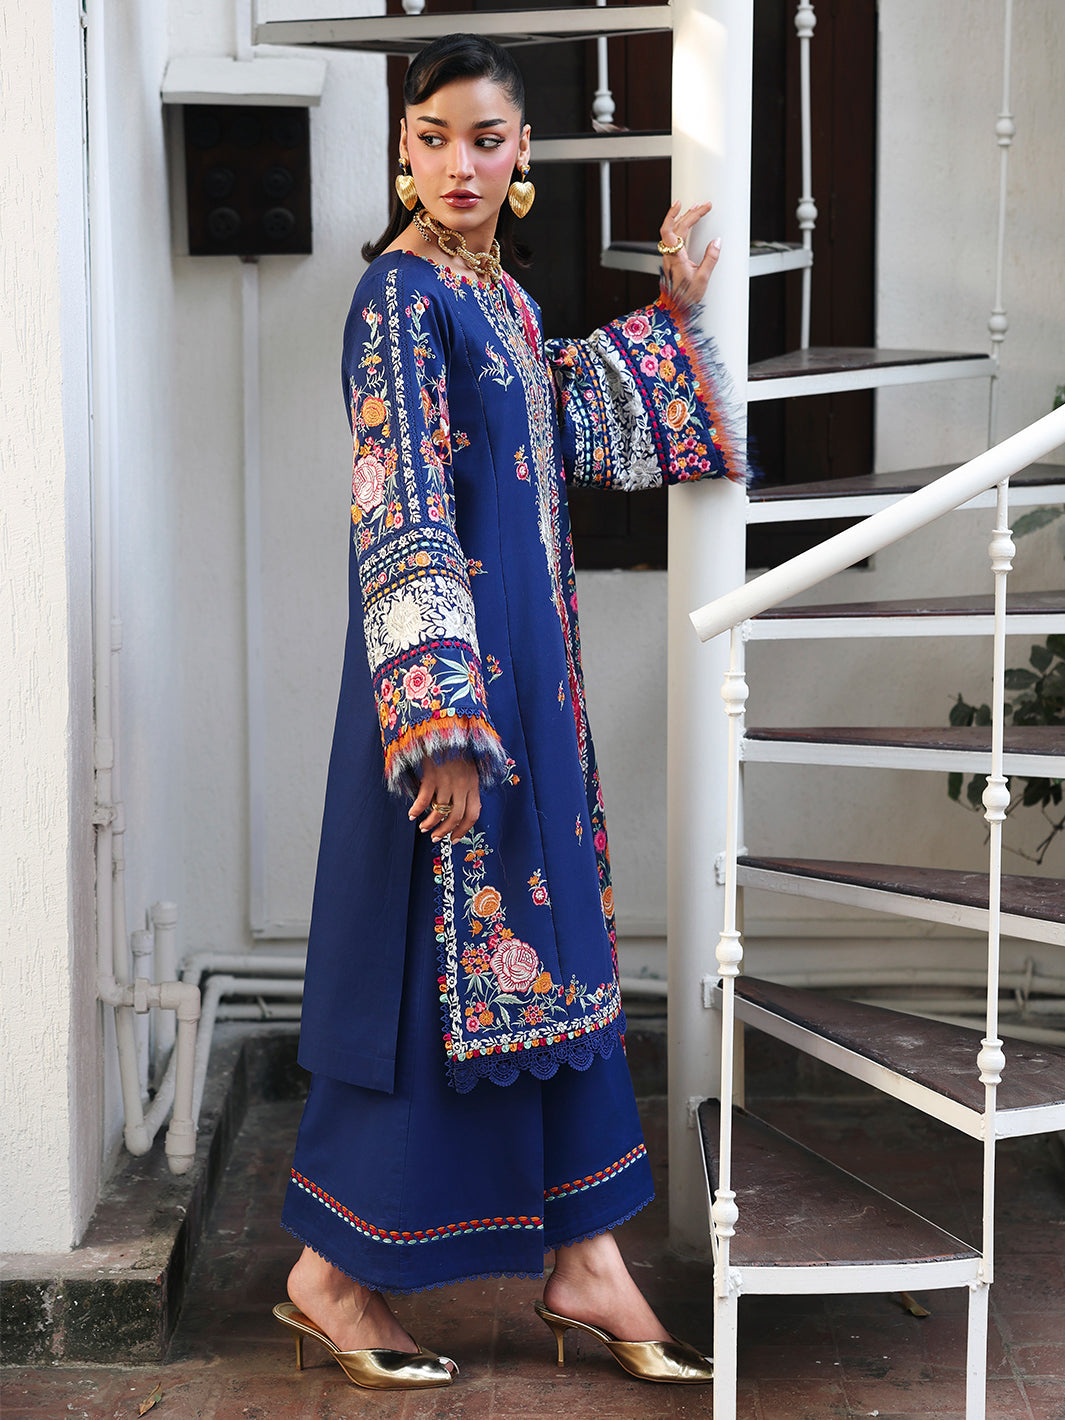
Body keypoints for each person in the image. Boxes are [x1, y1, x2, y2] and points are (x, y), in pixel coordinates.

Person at [274, 32, 745, 1392]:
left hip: (533, 697)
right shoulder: (398, 299)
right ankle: (329, 1278)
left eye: (486, 140)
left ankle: (585, 1260)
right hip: (451, 707)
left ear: (523, 150)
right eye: (434, 138)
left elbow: (557, 428)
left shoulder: (505, 301)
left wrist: (665, 321)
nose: (460, 166)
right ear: (402, 145)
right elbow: (402, 506)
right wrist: (438, 724)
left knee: (550, 960)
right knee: (432, 978)